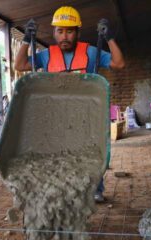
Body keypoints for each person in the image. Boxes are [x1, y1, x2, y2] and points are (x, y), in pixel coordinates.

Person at [14, 6, 125, 202]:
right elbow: (20, 65)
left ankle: (96, 188)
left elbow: (119, 63)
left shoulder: (90, 52)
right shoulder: (47, 55)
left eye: (70, 31)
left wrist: (110, 38)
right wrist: (25, 40)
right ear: (54, 33)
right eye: (60, 31)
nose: (65, 36)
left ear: (78, 32)